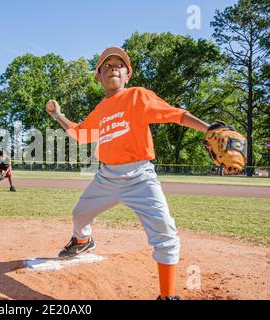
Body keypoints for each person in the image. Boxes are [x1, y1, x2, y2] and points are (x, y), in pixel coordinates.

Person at [46, 46, 213, 300]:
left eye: (119, 64)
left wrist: (209, 129)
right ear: (99, 77)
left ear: (127, 75)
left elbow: (176, 115)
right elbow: (80, 133)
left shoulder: (138, 96)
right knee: (79, 214)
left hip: (141, 177)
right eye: (107, 65)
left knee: (165, 234)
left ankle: (167, 296)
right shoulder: (100, 110)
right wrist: (59, 115)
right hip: (106, 177)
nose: (113, 67)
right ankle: (83, 241)